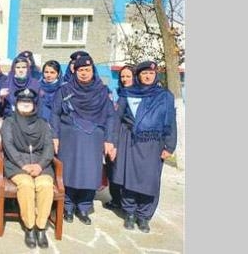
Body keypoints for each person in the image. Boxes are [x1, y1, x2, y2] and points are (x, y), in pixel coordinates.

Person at [51, 55, 117, 225]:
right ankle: (67, 206)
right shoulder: (65, 90)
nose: (84, 73)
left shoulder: (102, 91)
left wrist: (109, 139)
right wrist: (55, 136)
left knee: (89, 173)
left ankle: (84, 207)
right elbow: (55, 114)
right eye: (80, 70)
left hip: (94, 140)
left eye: (87, 70)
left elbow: (111, 116)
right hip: (69, 140)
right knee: (69, 173)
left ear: (92, 70)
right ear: (75, 71)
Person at [112, 61, 177, 233]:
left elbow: (170, 122)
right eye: (144, 73)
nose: (147, 76)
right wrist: (113, 143)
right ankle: (130, 213)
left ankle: (144, 216)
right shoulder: (128, 94)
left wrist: (170, 146)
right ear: (138, 76)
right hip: (131, 143)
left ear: (156, 75)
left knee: (150, 181)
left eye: (151, 73)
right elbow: (116, 119)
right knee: (129, 178)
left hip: (154, 144)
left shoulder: (165, 96)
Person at [1, 88, 54, 249]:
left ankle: (41, 227)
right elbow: (8, 145)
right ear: (16, 104)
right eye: (22, 102)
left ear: (34, 105)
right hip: (17, 165)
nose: (25, 105)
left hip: (40, 164)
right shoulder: (9, 122)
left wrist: (39, 165)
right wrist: (23, 164)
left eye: (28, 102)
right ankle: (29, 227)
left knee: (45, 185)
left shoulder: (42, 123)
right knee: (26, 185)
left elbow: (49, 147)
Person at [103, 64, 135, 211]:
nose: (125, 79)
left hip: (126, 135)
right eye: (122, 76)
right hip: (112, 133)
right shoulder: (116, 92)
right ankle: (115, 198)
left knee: (123, 168)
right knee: (112, 166)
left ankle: (125, 200)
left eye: (128, 76)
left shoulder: (136, 94)